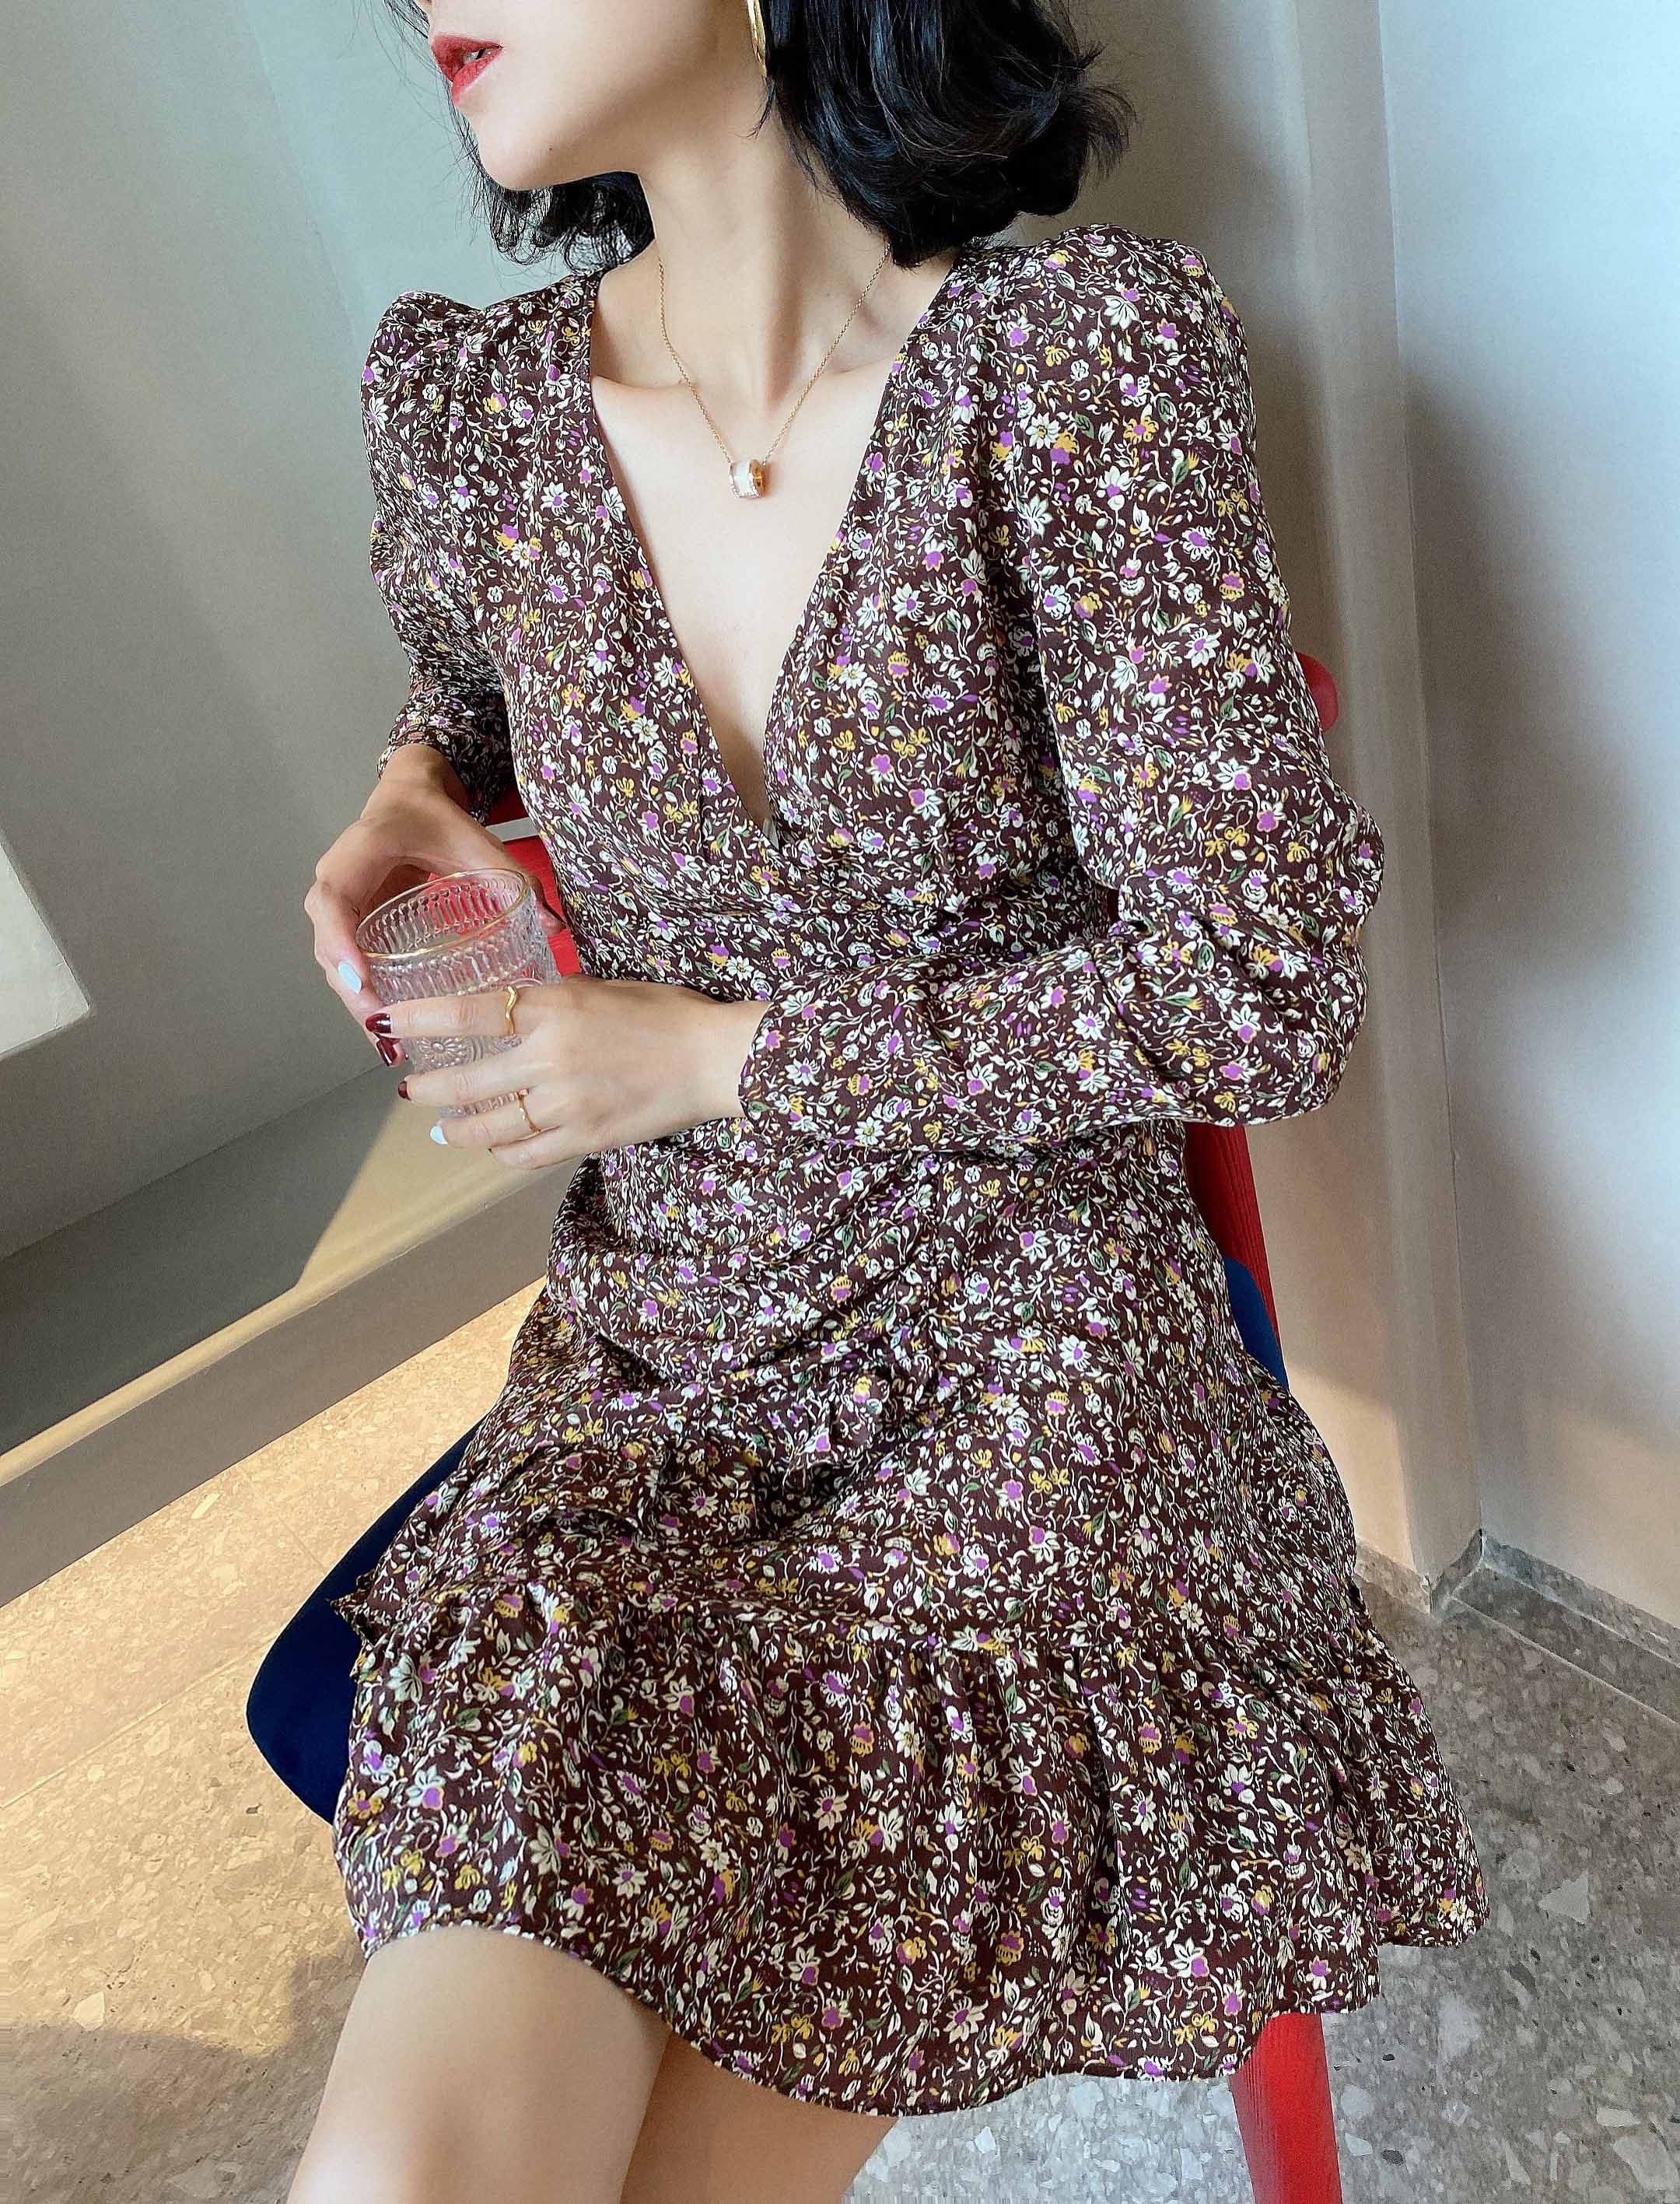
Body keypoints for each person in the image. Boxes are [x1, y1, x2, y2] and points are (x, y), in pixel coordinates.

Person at [291, 1, 1486, 2196]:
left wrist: (713, 1052)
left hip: (1034, 1348)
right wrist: (407, 793)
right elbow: (460, 688)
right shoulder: (473, 415)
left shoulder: (1073, 368)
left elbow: (1260, 983)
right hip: (664, 1367)